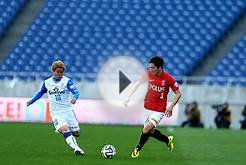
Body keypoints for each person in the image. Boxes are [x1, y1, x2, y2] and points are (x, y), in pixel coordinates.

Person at [123, 56, 181, 158]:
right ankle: (167, 140)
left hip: (159, 110)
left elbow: (178, 93)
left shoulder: (168, 78)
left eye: (153, 68)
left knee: (146, 129)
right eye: (150, 67)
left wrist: (171, 106)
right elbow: (137, 84)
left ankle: (137, 148)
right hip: (147, 107)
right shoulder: (148, 74)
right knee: (149, 131)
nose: (151, 70)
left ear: (160, 68)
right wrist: (128, 96)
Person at [26, 60, 84, 156]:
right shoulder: (47, 82)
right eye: (58, 72)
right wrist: (31, 101)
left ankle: (70, 136)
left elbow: (76, 92)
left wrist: (75, 98)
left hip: (67, 110)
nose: (59, 74)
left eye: (61, 72)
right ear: (53, 71)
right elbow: (41, 93)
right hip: (55, 112)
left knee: (76, 133)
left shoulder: (67, 81)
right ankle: (76, 148)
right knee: (64, 129)